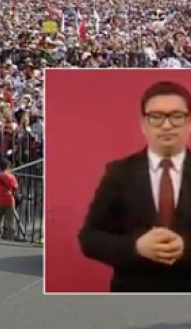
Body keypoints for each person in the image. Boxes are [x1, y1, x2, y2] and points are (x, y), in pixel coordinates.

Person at [78, 81, 191, 292]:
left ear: (189, 122)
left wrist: (185, 247)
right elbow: (90, 238)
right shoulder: (119, 172)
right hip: (132, 291)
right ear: (143, 124)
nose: (166, 125)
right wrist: (136, 247)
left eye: (176, 116)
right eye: (156, 117)